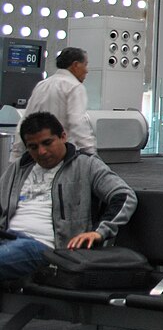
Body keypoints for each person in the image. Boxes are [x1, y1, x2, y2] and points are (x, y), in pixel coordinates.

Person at [0, 112, 137, 281]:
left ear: (63, 136)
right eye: (33, 147)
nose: (41, 152)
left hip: (48, 249)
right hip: (8, 240)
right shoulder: (19, 168)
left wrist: (100, 231)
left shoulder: (86, 165)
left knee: (16, 251)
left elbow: (124, 195)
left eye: (47, 143)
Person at [14, 46, 95, 159]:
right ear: (75, 65)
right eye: (85, 65)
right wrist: (90, 152)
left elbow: (25, 121)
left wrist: (16, 154)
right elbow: (77, 123)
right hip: (60, 155)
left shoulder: (42, 85)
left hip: (37, 155)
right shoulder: (74, 87)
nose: (87, 70)